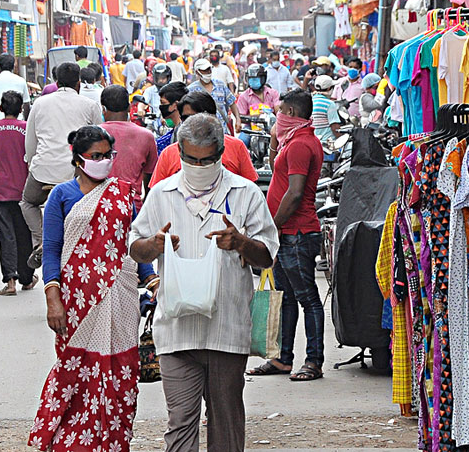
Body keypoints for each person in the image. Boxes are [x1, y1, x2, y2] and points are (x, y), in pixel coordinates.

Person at [130, 113, 279, 452]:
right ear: (179, 152)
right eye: (192, 159)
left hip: (225, 329)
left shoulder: (246, 194)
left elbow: (267, 255)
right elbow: (135, 247)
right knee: (180, 422)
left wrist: (240, 242)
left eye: (208, 159)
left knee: (226, 422)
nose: (199, 166)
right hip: (176, 331)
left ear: (221, 152)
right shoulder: (162, 194)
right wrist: (153, 246)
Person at [29, 126, 158, 452]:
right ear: (77, 159)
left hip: (122, 298)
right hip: (78, 301)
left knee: (119, 374)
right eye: (95, 156)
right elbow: (52, 250)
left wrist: (152, 279)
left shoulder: (125, 192)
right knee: (77, 372)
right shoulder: (62, 195)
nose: (103, 162)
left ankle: (113, 441)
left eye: (107, 156)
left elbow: (133, 243)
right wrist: (52, 299)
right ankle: (74, 442)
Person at [248, 90, 324, 382]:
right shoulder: (292, 142)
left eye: (281, 111)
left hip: (296, 233)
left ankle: (314, 361)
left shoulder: (301, 145)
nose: (277, 116)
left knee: (307, 298)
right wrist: (273, 140)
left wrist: (273, 227)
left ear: (290, 113)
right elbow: (274, 166)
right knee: (288, 298)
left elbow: (294, 194)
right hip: (288, 234)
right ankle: (282, 358)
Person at [22, 62, 104, 261]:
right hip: (76, 173)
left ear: (56, 82)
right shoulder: (90, 105)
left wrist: (31, 163)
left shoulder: (39, 104)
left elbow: (30, 142)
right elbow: (101, 141)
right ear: (78, 83)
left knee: (27, 202)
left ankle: (41, 240)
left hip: (43, 171)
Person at [0, 91, 36, 296]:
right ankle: (27, 279)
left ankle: (10, 281)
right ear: (21, 109)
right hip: (23, 190)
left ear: (1, 108)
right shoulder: (27, 129)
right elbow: (34, 156)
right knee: (23, 234)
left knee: (6, 235)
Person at [150, 90, 258, 187]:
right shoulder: (168, 154)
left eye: (199, 117)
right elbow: (157, 195)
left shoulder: (236, 147)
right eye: (187, 118)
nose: (194, 123)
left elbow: (249, 188)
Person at [100, 85, 159, 208]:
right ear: (128, 108)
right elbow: (150, 177)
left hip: (99, 207)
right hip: (132, 207)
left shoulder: (94, 134)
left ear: (103, 109)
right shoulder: (147, 136)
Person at [189, 58, 239, 135]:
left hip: (222, 130)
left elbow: (232, 103)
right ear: (197, 72)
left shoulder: (220, 84)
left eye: (209, 69)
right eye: (205, 70)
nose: (208, 72)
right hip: (203, 133)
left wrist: (238, 119)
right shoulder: (191, 89)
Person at [235, 65, 281, 147]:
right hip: (251, 126)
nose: (253, 81)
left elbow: (278, 110)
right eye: (251, 79)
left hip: (272, 125)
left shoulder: (273, 93)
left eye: (256, 79)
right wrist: (256, 117)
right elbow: (240, 116)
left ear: (263, 78)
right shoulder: (244, 96)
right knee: (241, 142)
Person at [0, 54, 31, 123]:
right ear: (13, 66)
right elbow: (26, 106)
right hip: (17, 123)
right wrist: (25, 124)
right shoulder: (21, 81)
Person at [156, 81, 189, 154]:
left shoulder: (182, 132)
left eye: (163, 103)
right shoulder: (177, 129)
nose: (161, 106)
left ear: (175, 105)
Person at [311, 75, 341, 142]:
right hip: (327, 142)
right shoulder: (329, 104)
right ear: (329, 88)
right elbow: (335, 127)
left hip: (314, 140)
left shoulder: (311, 101)